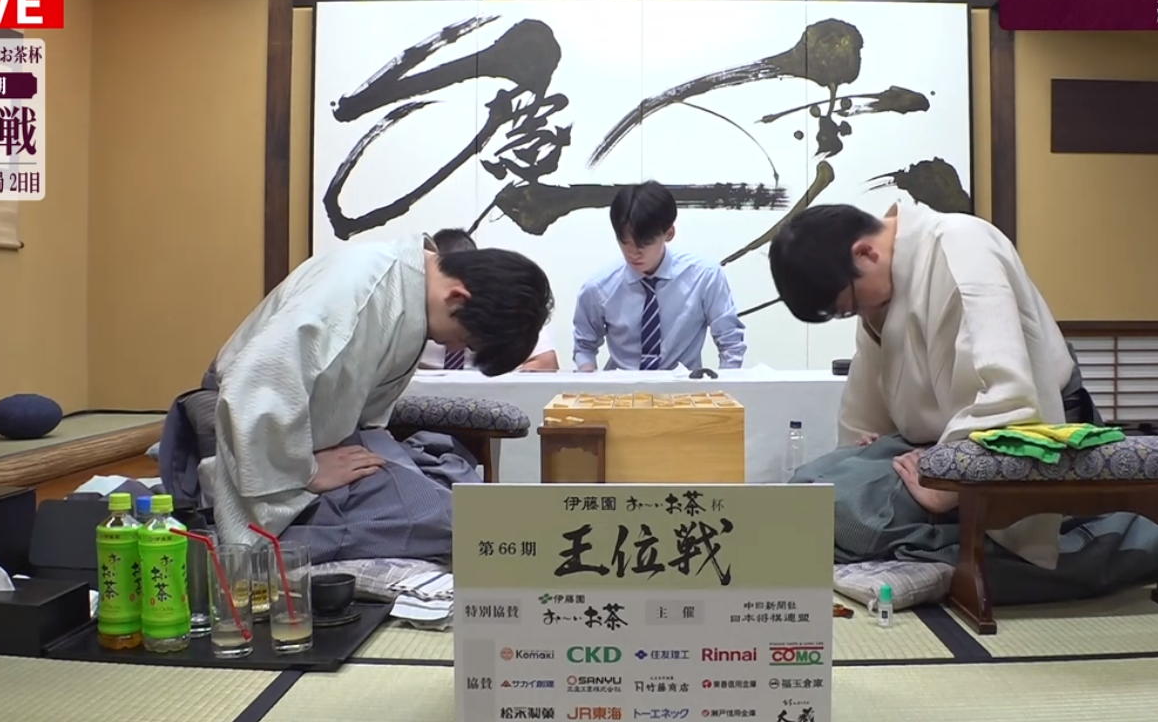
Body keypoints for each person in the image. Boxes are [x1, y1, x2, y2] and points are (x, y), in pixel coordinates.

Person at [769, 201, 1158, 604]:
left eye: (850, 306)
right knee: (807, 492)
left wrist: (951, 483)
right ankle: (939, 550)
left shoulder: (961, 248)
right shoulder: (886, 273)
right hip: (935, 444)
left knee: (846, 517)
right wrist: (867, 445)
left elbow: (1008, 390)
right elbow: (871, 392)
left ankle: (1151, 536)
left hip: (1017, 438)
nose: (861, 316)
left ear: (866, 253)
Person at [156, 234, 552, 562]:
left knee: (457, 476)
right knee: (457, 524)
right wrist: (306, 472)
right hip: (261, 450)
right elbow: (254, 387)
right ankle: (276, 545)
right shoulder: (356, 290)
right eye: (463, 339)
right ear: (458, 298)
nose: (452, 346)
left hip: (320, 441)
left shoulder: (406, 282)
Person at [573, 181, 746, 372]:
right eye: (625, 243)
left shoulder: (704, 277)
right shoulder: (598, 287)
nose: (633, 253)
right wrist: (588, 378)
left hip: (683, 386)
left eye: (644, 243)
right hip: (621, 384)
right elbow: (584, 346)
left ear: (669, 233)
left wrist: (724, 385)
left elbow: (731, 342)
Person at [417, 227, 560, 372]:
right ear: (457, 296)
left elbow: (546, 362)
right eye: (463, 339)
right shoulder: (409, 312)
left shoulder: (499, 312)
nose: (455, 349)